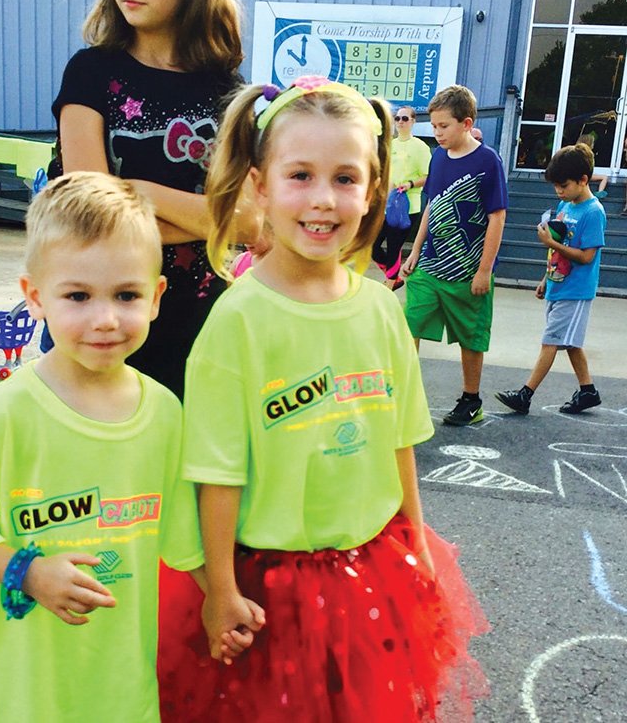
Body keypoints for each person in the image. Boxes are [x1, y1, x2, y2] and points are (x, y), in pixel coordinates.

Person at [159, 76, 489, 722]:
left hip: (374, 572)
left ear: (373, 191)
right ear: (260, 184)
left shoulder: (379, 308)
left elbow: (399, 441)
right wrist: (220, 588)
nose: (323, 199)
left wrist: (417, 540)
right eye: (300, 175)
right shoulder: (240, 321)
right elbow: (216, 474)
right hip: (268, 587)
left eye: (344, 178)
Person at [0, 173, 259, 722]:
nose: (105, 319)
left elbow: (183, 539)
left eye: (126, 295)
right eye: (78, 296)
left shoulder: (165, 414)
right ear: (35, 297)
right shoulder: (7, 413)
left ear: (156, 297)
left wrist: (222, 599)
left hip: (117, 686)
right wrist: (29, 571)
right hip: (16, 692)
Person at [52, 0, 260, 398]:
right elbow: (91, 218)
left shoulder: (228, 91)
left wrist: (136, 193)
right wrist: (206, 219)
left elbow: (251, 221)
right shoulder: (90, 74)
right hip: (105, 326)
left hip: (204, 329)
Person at [401, 85, 508, 426]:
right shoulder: (438, 158)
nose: (437, 133)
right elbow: (431, 205)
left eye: (443, 126)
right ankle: (404, 392)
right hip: (431, 266)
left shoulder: (488, 161)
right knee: (408, 325)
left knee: (470, 337)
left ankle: (471, 399)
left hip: (467, 270)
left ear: (466, 123)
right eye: (433, 126)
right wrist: (414, 251)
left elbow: (497, 216)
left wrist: (484, 270)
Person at [495, 144, 606, 415]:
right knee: (569, 342)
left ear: (583, 180)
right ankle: (588, 391)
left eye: (563, 185)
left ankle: (525, 394)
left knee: (551, 340)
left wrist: (551, 244)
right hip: (558, 284)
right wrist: (546, 278)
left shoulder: (593, 212)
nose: (559, 191)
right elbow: (556, 246)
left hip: (576, 290)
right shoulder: (565, 205)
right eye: (556, 186)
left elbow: (587, 256)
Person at [371, 105, 431, 290]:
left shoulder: (420, 147)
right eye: (397, 118)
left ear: (413, 121)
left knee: (394, 247)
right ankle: (393, 277)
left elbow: (428, 176)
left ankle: (389, 286)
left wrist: (410, 184)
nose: (400, 122)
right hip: (388, 203)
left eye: (405, 119)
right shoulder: (391, 145)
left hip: (407, 206)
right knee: (372, 245)